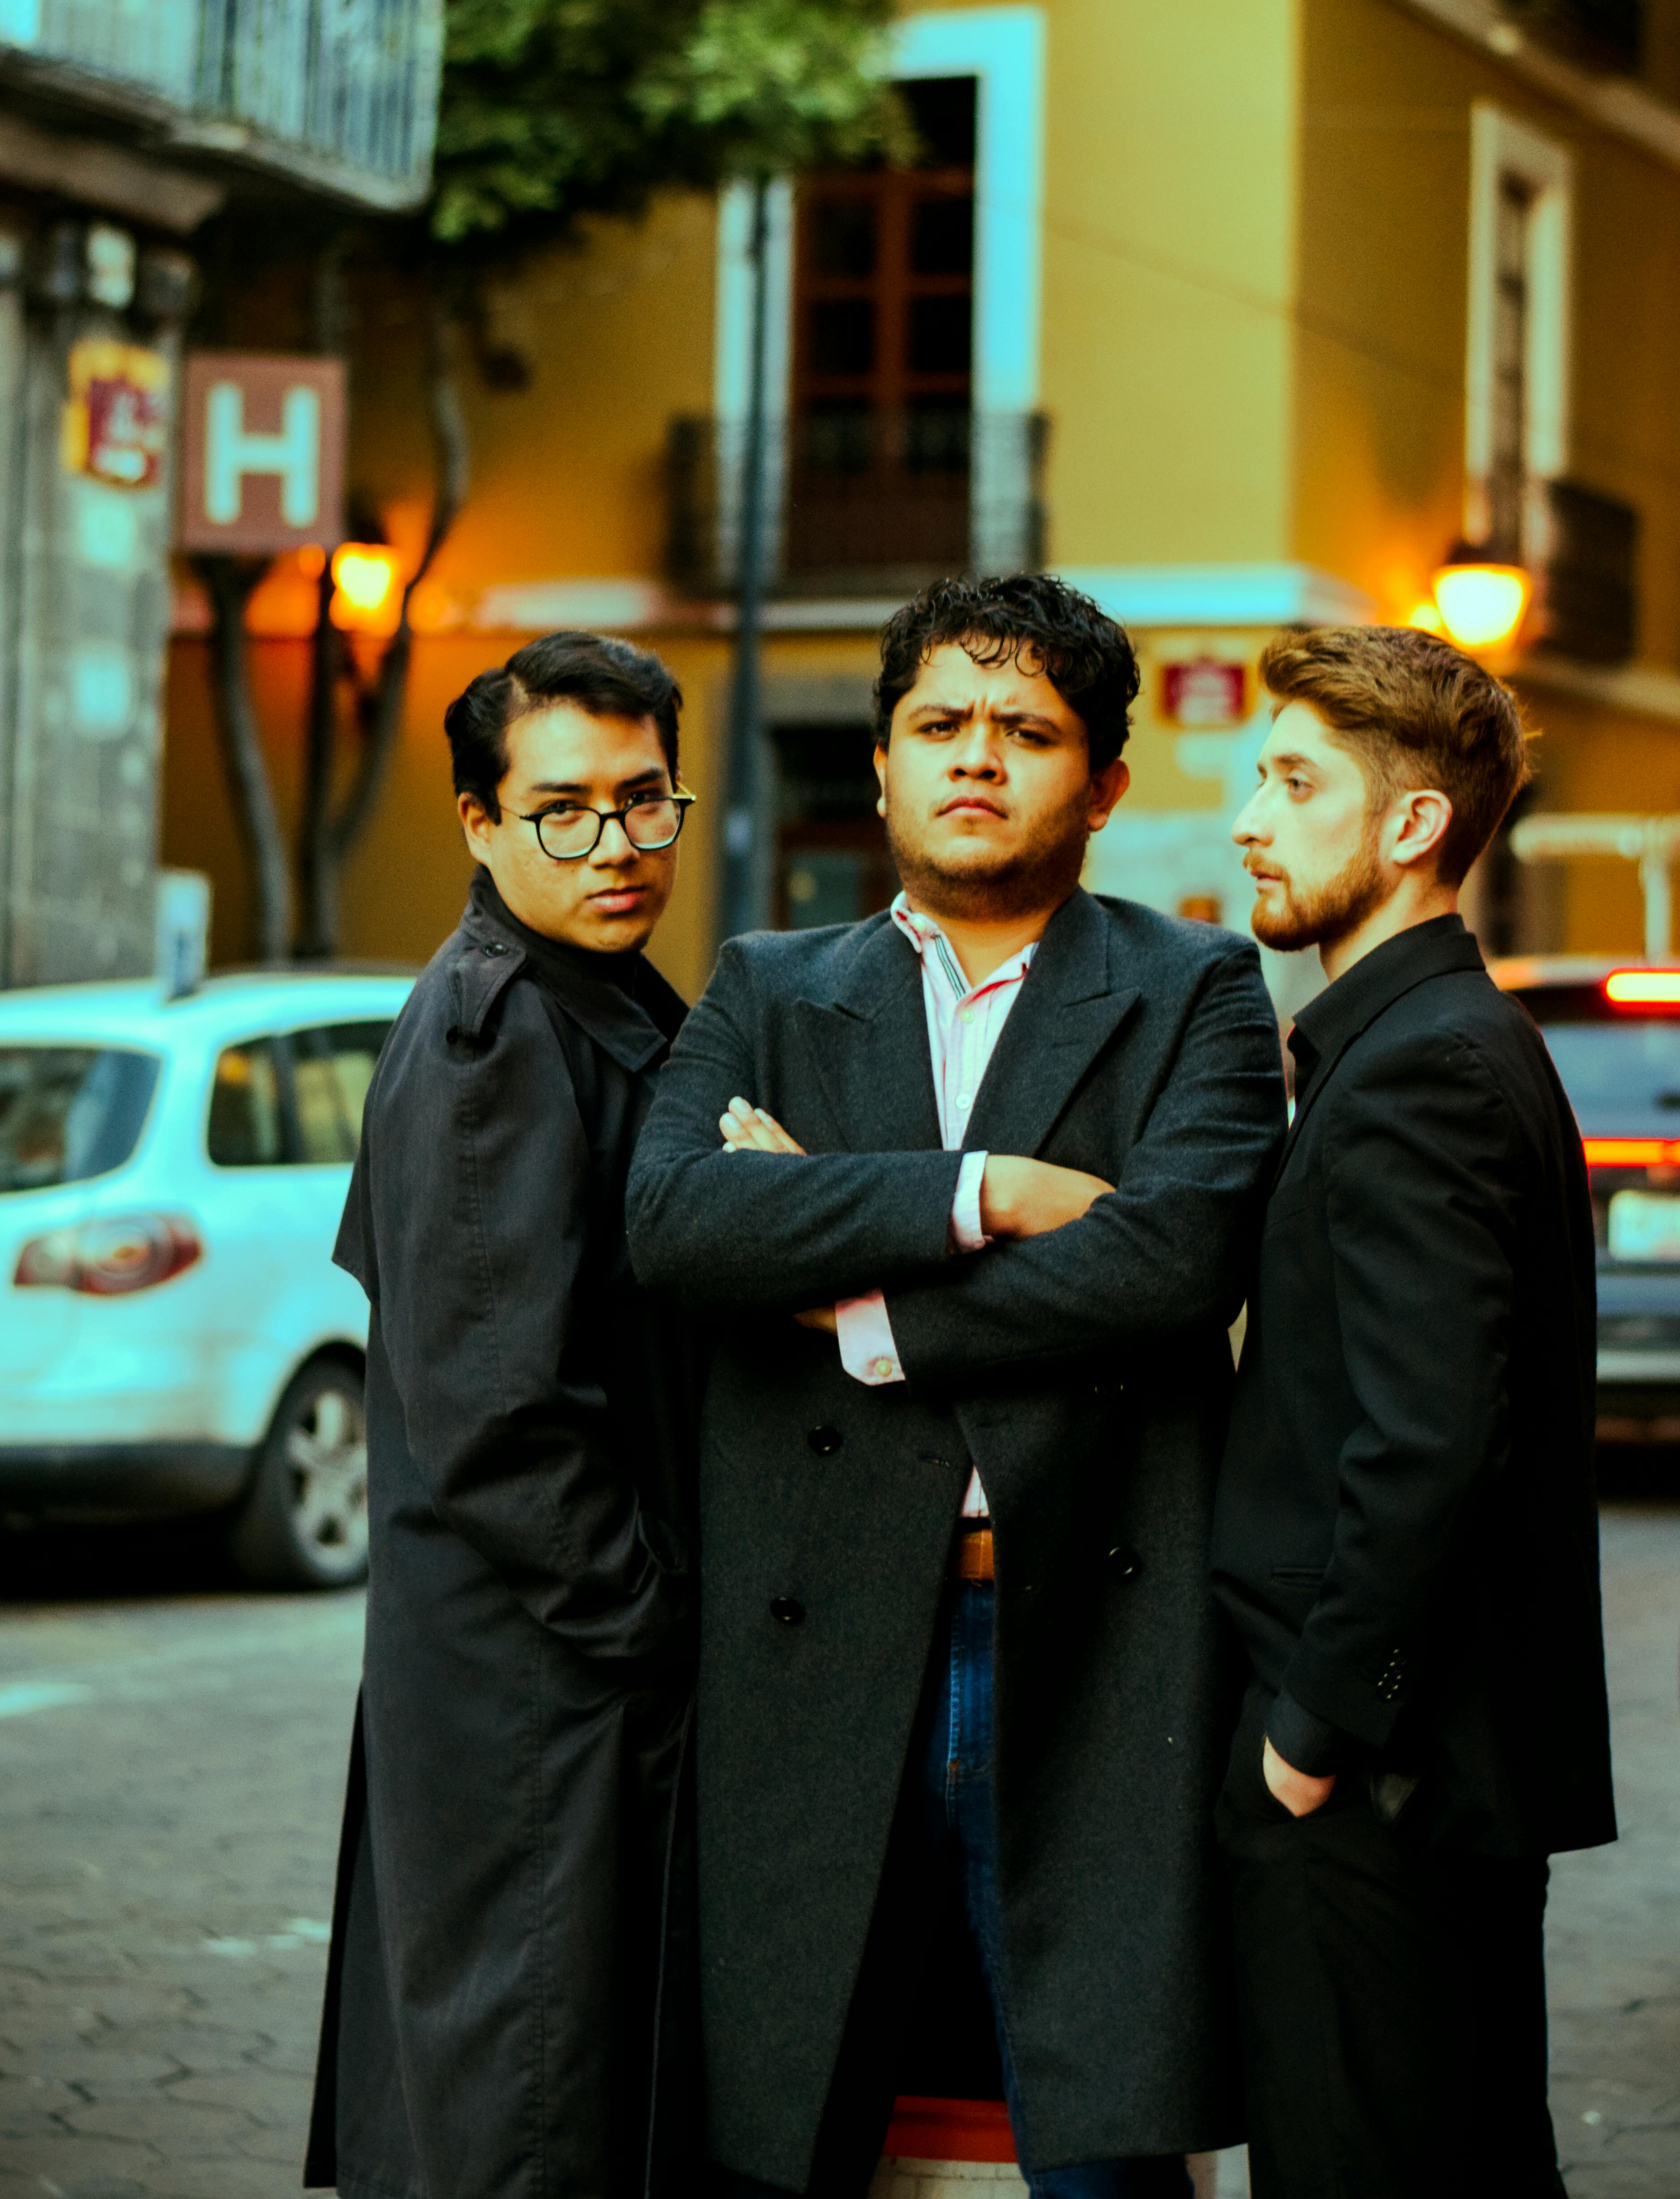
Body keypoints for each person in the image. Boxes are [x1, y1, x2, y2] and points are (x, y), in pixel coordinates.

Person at [627, 574, 1288, 2199]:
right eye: (939, 726)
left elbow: (1173, 1264)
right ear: (882, 766)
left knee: (1102, 2145)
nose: (976, 759)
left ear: (1106, 785)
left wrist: (855, 1300)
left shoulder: (1195, 985)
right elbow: (674, 1218)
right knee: (787, 2130)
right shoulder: (769, 986)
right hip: (817, 1633)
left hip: (1094, 1633)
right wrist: (981, 1187)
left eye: (1026, 731)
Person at [1212, 626, 1615, 2199]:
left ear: (1412, 825)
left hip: (1379, 1789)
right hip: (1413, 1780)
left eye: (1295, 781)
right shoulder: (1425, 1042)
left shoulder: (1420, 1070)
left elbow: (1433, 1438)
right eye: (1258, 774)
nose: (1252, 815)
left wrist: (1312, 1733)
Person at [305, 631, 701, 2199]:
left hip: (549, 1674)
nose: (615, 849)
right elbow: (494, 1420)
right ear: (479, 821)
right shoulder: (494, 1031)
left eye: (645, 803)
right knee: (525, 2108)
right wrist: (659, 1624)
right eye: (563, 813)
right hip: (538, 1685)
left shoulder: (588, 989)